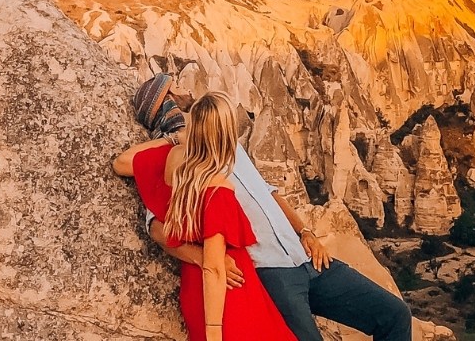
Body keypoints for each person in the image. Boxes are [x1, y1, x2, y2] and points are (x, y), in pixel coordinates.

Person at [123, 73, 413, 341]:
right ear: (167, 103)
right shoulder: (175, 158)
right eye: (174, 86)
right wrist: (202, 257)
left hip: (307, 257)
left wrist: (306, 231)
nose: (184, 87)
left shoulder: (230, 144)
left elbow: (270, 194)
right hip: (272, 273)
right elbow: (158, 229)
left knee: (395, 315)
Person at [114, 92, 296, 341]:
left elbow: (121, 163)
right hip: (228, 297)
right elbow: (213, 267)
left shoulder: (172, 161)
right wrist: (214, 331)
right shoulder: (216, 187)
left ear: (193, 127)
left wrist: (173, 139)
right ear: (226, 137)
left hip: (194, 287)